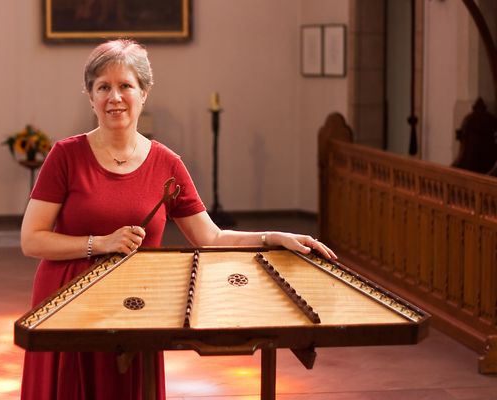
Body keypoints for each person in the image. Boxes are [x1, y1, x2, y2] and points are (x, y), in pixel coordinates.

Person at [19, 38, 337, 400]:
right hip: (68, 302)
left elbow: (210, 238)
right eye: (103, 87)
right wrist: (99, 243)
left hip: (136, 306)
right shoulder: (65, 156)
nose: (115, 97)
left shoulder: (167, 163)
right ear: (90, 96)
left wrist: (272, 237)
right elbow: (32, 240)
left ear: (144, 93)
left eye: (125, 86)